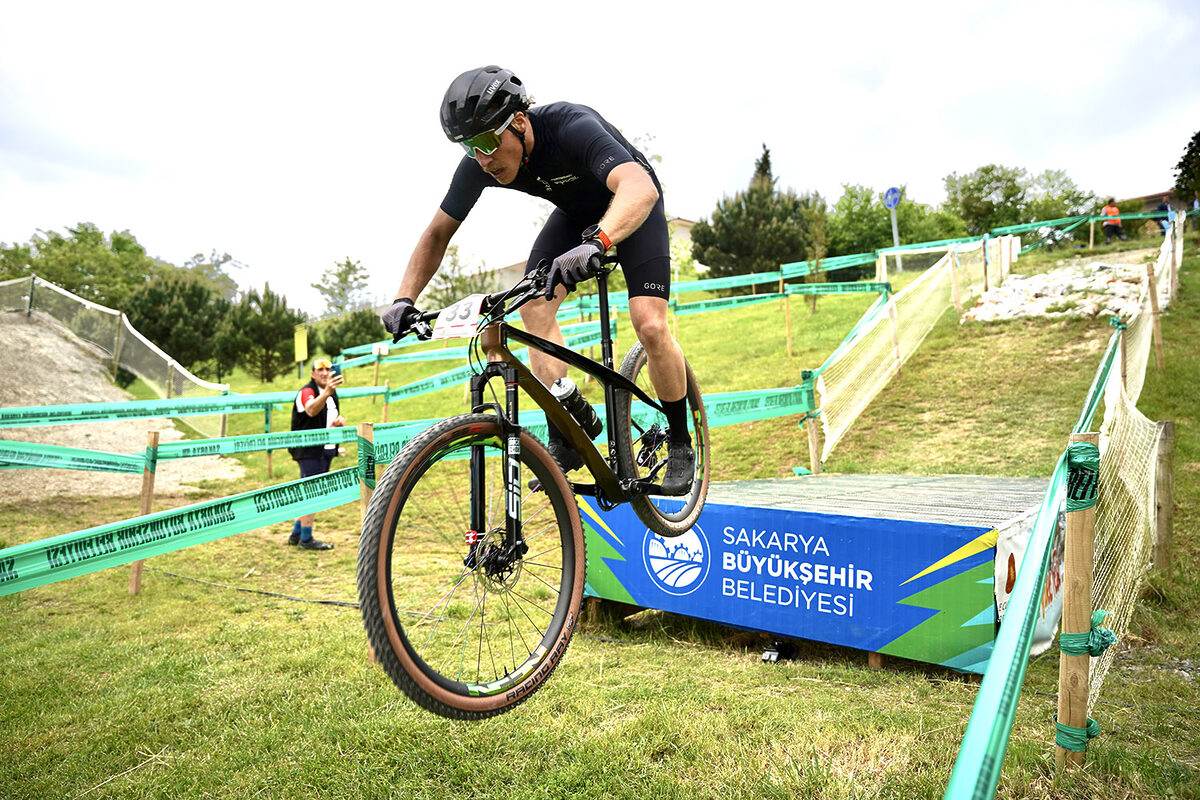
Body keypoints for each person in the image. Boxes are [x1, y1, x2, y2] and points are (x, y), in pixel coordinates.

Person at [381, 65, 694, 495]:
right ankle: (565, 420)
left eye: (489, 141)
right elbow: (437, 233)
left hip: (631, 207)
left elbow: (640, 187)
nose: (483, 158)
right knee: (532, 304)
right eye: (470, 147)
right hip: (575, 217)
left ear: (521, 121)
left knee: (650, 324)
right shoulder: (479, 163)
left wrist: (599, 241)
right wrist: (404, 298)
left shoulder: (569, 126)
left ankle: (680, 438)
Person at [286, 357, 345, 550]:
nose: (324, 373)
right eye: (319, 370)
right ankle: (306, 539)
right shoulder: (307, 391)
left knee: (312, 492)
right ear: (312, 374)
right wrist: (327, 392)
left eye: (327, 369)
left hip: (326, 449)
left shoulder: (332, 394)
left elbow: (327, 417)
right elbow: (311, 410)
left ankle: (297, 533)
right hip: (308, 449)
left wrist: (337, 422)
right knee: (312, 493)